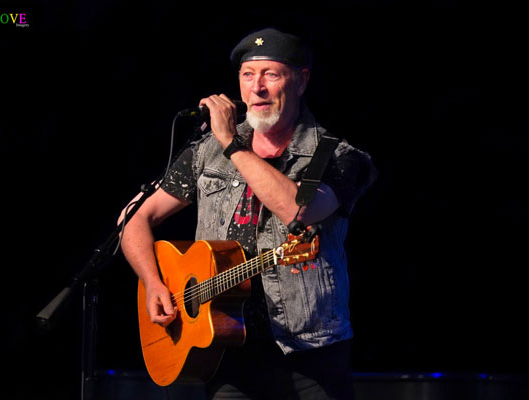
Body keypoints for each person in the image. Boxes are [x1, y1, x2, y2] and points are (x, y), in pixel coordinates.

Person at [119, 27, 377, 399]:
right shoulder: (204, 152)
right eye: (247, 75)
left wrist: (231, 143)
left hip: (308, 354)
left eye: (271, 74)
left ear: (301, 81)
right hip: (224, 350)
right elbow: (132, 218)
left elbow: (297, 212)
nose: (257, 87)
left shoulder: (338, 157)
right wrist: (154, 283)